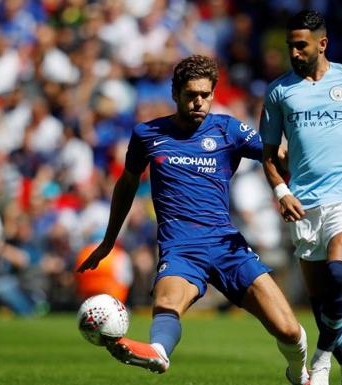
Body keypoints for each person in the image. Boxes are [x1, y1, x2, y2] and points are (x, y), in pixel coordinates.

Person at [77, 55, 310, 385]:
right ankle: (158, 352)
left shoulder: (229, 129)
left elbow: (278, 157)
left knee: (288, 330)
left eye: (205, 94)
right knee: (167, 304)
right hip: (180, 248)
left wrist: (301, 154)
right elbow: (126, 185)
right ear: (175, 93)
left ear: (213, 93)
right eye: (191, 94)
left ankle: (298, 371)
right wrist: (108, 241)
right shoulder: (147, 135)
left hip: (227, 245)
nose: (199, 102)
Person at [259, 10, 342, 385]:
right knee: (322, 301)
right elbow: (268, 155)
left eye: (301, 45)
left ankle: (320, 361)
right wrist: (281, 190)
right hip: (303, 202)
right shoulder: (278, 92)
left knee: (339, 274)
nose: (294, 52)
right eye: (290, 46)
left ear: (322, 43)